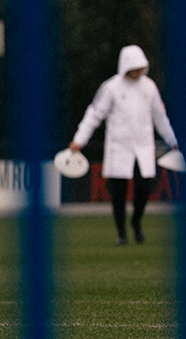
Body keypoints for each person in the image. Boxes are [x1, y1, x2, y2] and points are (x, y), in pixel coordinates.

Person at [68, 45, 179, 245]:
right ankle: (122, 234)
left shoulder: (149, 87)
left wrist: (173, 141)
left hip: (143, 147)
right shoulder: (111, 88)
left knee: (144, 188)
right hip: (119, 148)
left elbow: (160, 118)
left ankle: (136, 221)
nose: (137, 72)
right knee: (118, 193)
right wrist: (79, 140)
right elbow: (94, 115)